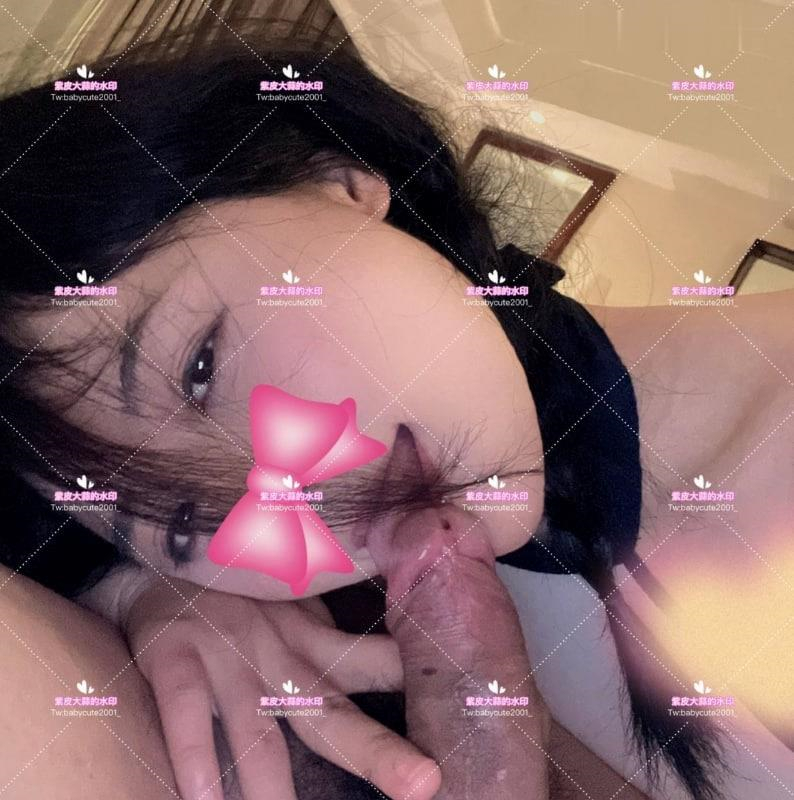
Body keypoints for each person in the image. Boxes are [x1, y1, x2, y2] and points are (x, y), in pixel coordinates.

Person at [0, 27, 791, 800]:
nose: (281, 501)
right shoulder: (414, 638)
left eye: (200, 367)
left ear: (336, 178)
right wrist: (133, 592)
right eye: (179, 523)